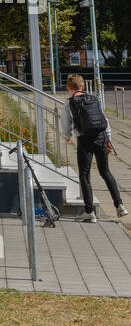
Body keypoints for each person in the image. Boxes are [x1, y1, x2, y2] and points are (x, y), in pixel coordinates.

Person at [61, 74, 127, 222]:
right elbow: (104, 119)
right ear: (83, 87)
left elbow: (65, 124)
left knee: (84, 175)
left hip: (85, 140)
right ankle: (120, 205)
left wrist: (67, 136)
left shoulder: (68, 103)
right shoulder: (93, 99)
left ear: (68, 88)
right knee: (105, 172)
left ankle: (89, 212)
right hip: (101, 137)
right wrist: (108, 139)